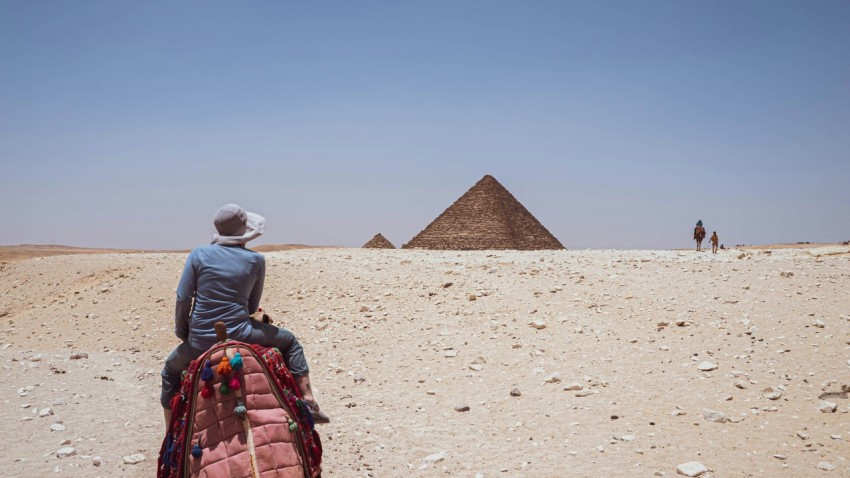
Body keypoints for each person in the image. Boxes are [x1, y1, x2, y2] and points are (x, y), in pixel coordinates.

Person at [160, 204, 329, 428]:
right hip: (243, 335)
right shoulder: (256, 260)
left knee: (170, 371)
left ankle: (170, 431)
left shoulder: (198, 254)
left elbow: (183, 297)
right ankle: (308, 400)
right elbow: (252, 305)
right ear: (245, 231)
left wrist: (184, 332)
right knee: (290, 342)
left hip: (199, 341)